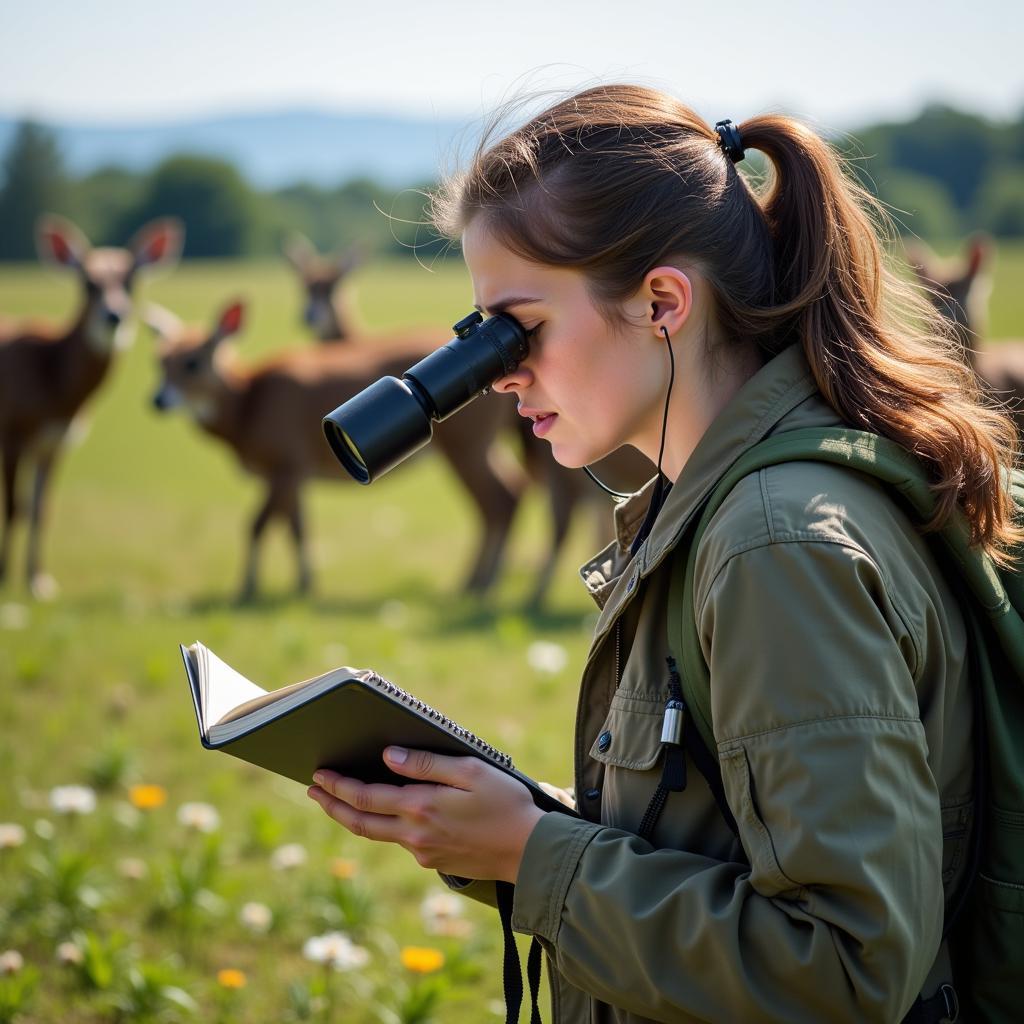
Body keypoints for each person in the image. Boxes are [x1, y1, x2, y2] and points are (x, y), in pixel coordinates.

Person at [307, 84, 1018, 1022]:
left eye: (519, 329)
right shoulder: (736, 499)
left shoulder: (777, 544)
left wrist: (534, 855)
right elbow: (731, 839)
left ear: (662, 302)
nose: (500, 375)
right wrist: (507, 830)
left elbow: (845, 971)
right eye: (482, 339)